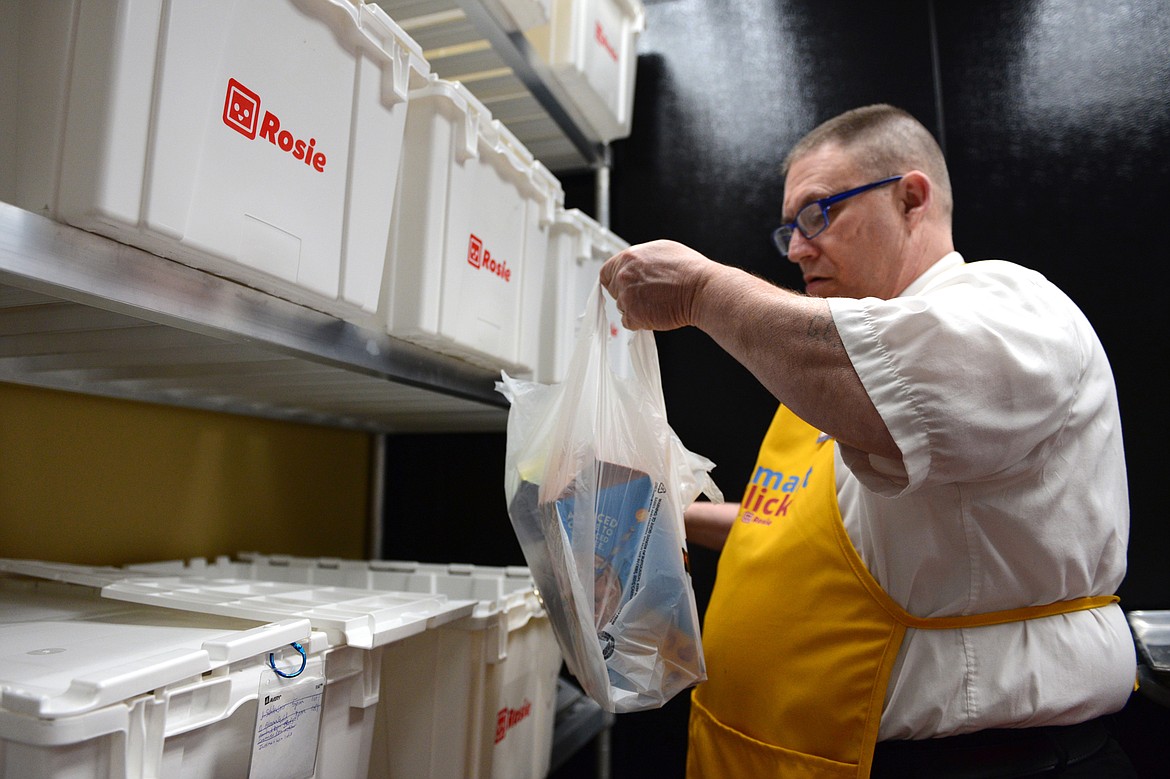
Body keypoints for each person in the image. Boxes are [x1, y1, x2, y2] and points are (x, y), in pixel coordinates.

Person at [599, 104, 1136, 778]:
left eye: (819, 214)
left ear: (912, 198)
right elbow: (798, 529)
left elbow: (883, 383)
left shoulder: (1012, 309)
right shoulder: (826, 369)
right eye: (789, 228)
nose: (796, 248)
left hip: (980, 760)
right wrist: (665, 512)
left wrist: (704, 292)